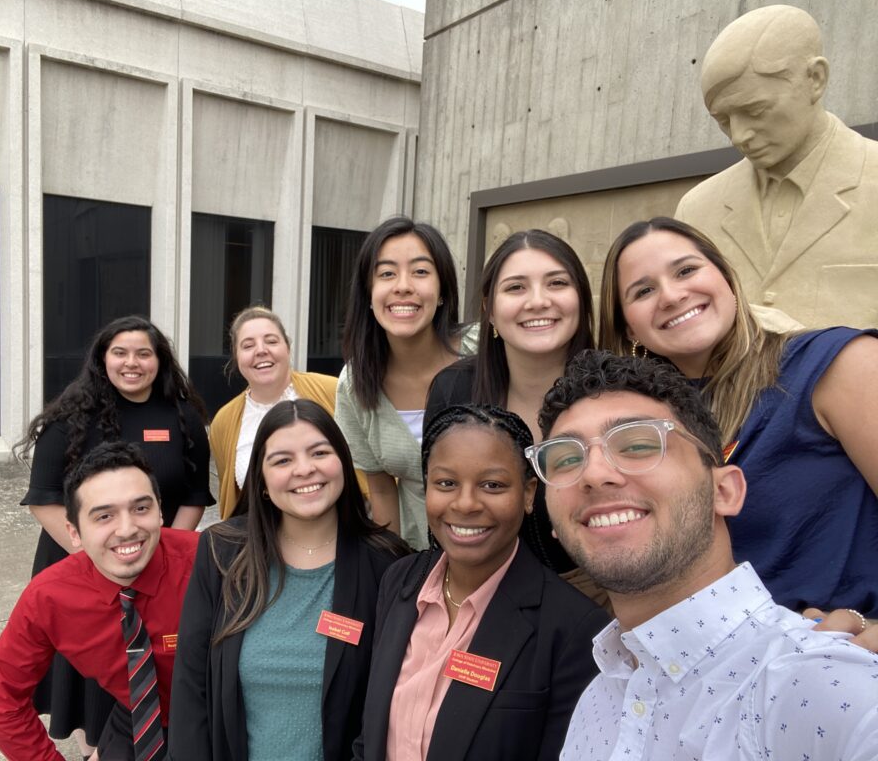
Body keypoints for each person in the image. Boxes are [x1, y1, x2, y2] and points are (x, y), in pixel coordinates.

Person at [533, 350, 878, 760]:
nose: (592, 473)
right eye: (566, 459)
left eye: (639, 444)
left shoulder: (829, 689)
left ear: (724, 491)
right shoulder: (598, 698)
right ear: (555, 522)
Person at [598, 216, 878, 621]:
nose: (673, 295)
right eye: (643, 290)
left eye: (687, 270)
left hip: (843, 656)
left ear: (726, 277)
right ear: (629, 328)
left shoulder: (836, 363)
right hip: (708, 669)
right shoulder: (641, 427)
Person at [352, 404, 608, 761]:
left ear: (529, 493)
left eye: (492, 485)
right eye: (446, 483)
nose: (466, 503)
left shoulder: (574, 629)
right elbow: (370, 737)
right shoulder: (399, 581)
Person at [14, 315, 214, 756]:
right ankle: (93, 748)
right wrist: (97, 557)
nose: (132, 363)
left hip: (159, 569)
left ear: (159, 361)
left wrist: (159, 554)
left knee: (154, 663)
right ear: (102, 359)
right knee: (94, 667)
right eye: (120, 352)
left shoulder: (182, 417)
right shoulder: (69, 418)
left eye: (144, 353)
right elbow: (44, 498)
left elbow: (195, 497)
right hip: (78, 561)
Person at [168, 399, 410, 761]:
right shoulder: (221, 551)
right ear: (262, 481)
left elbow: (395, 704)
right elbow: (190, 684)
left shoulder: (387, 563)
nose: (304, 470)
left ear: (343, 463)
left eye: (319, 452)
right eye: (282, 460)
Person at [0, 442, 199, 761]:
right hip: (136, 719)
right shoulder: (49, 598)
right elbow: (2, 702)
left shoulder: (212, 563)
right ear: (74, 532)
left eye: (141, 508)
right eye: (104, 516)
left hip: (220, 718)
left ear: (160, 511)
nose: (127, 529)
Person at [674, 4, 878, 330]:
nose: (739, 136)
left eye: (755, 110)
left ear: (815, 79)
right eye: (723, 120)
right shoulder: (696, 209)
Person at [425, 230, 601, 601]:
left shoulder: (616, 393)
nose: (538, 301)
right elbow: (441, 515)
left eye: (556, 283)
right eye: (516, 288)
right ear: (488, 310)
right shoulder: (453, 390)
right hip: (482, 596)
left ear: (582, 300)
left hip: (601, 601)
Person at [336, 216, 477, 550]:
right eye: (386, 273)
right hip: (420, 552)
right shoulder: (355, 383)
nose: (402, 285)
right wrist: (395, 568)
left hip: (505, 551)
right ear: (368, 295)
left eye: (420, 271)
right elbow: (382, 489)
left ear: (442, 290)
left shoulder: (484, 350)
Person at [209, 306, 367, 520]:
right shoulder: (224, 422)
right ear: (236, 357)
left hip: (343, 532)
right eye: (248, 345)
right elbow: (234, 501)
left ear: (288, 348)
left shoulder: (335, 392)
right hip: (263, 544)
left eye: (271, 341)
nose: (261, 350)